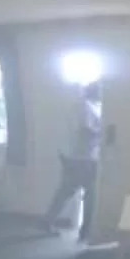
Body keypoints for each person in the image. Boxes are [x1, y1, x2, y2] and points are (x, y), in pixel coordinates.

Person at [47, 81, 110, 238]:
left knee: (66, 191)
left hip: (79, 156)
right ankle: (86, 230)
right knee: (90, 195)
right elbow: (85, 131)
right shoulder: (86, 107)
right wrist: (102, 134)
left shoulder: (87, 106)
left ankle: (47, 221)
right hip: (83, 157)